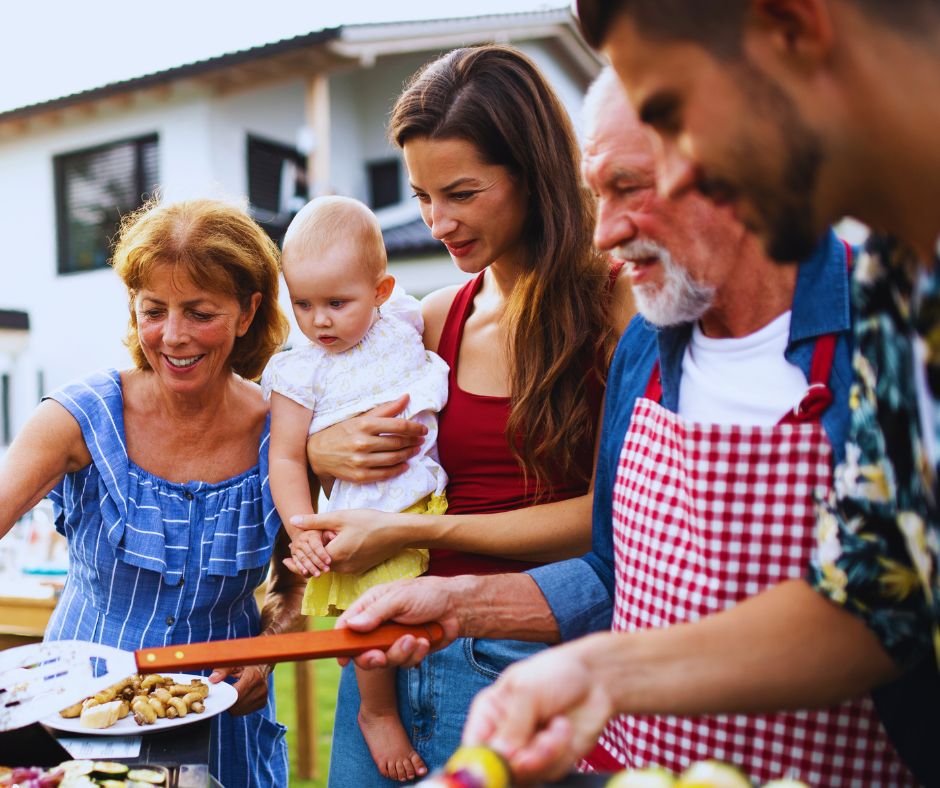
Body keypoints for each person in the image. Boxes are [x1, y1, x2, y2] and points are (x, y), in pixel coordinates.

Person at [334, 70, 914, 785]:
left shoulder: (895, 341)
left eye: (630, 187)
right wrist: (460, 602)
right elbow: (615, 575)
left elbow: (887, 611)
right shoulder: (647, 349)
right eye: (596, 192)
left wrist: (598, 670)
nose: (604, 231)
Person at [570, 0, 939, 780]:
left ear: (793, 27)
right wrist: (595, 674)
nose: (680, 172)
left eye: (672, 116)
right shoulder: (900, 275)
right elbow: (879, 589)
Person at [292, 45, 632, 786]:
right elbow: (327, 414)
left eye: (462, 193)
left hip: (515, 665)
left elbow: (616, 522)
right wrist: (321, 452)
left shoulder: (614, 305)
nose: (437, 221)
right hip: (383, 660)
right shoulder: (434, 318)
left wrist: (416, 529)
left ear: (532, 173)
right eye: (420, 196)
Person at [0, 199, 304, 787]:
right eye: (154, 310)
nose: (173, 335)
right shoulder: (78, 417)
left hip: (223, 718)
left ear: (247, 313)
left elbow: (292, 582)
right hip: (82, 711)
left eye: (199, 312)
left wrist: (265, 651)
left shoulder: (283, 432)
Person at [262, 195, 449, 782]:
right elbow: (286, 459)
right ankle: (377, 711)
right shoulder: (301, 370)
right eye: (303, 304)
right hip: (363, 512)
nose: (319, 321)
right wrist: (301, 529)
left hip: (429, 499)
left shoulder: (407, 322)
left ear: (382, 291)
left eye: (337, 303)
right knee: (370, 618)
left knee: (416, 626)